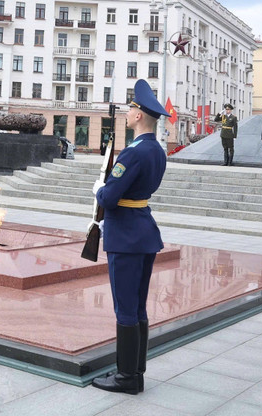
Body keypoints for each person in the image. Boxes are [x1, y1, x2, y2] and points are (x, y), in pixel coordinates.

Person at [91, 79, 169, 395]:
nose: (127, 111)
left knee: (125, 307)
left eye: (131, 108)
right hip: (144, 231)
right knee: (137, 307)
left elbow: (109, 198)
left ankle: (126, 378)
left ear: (139, 116)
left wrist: (99, 188)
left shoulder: (133, 153)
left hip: (124, 236)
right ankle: (134, 371)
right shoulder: (157, 150)